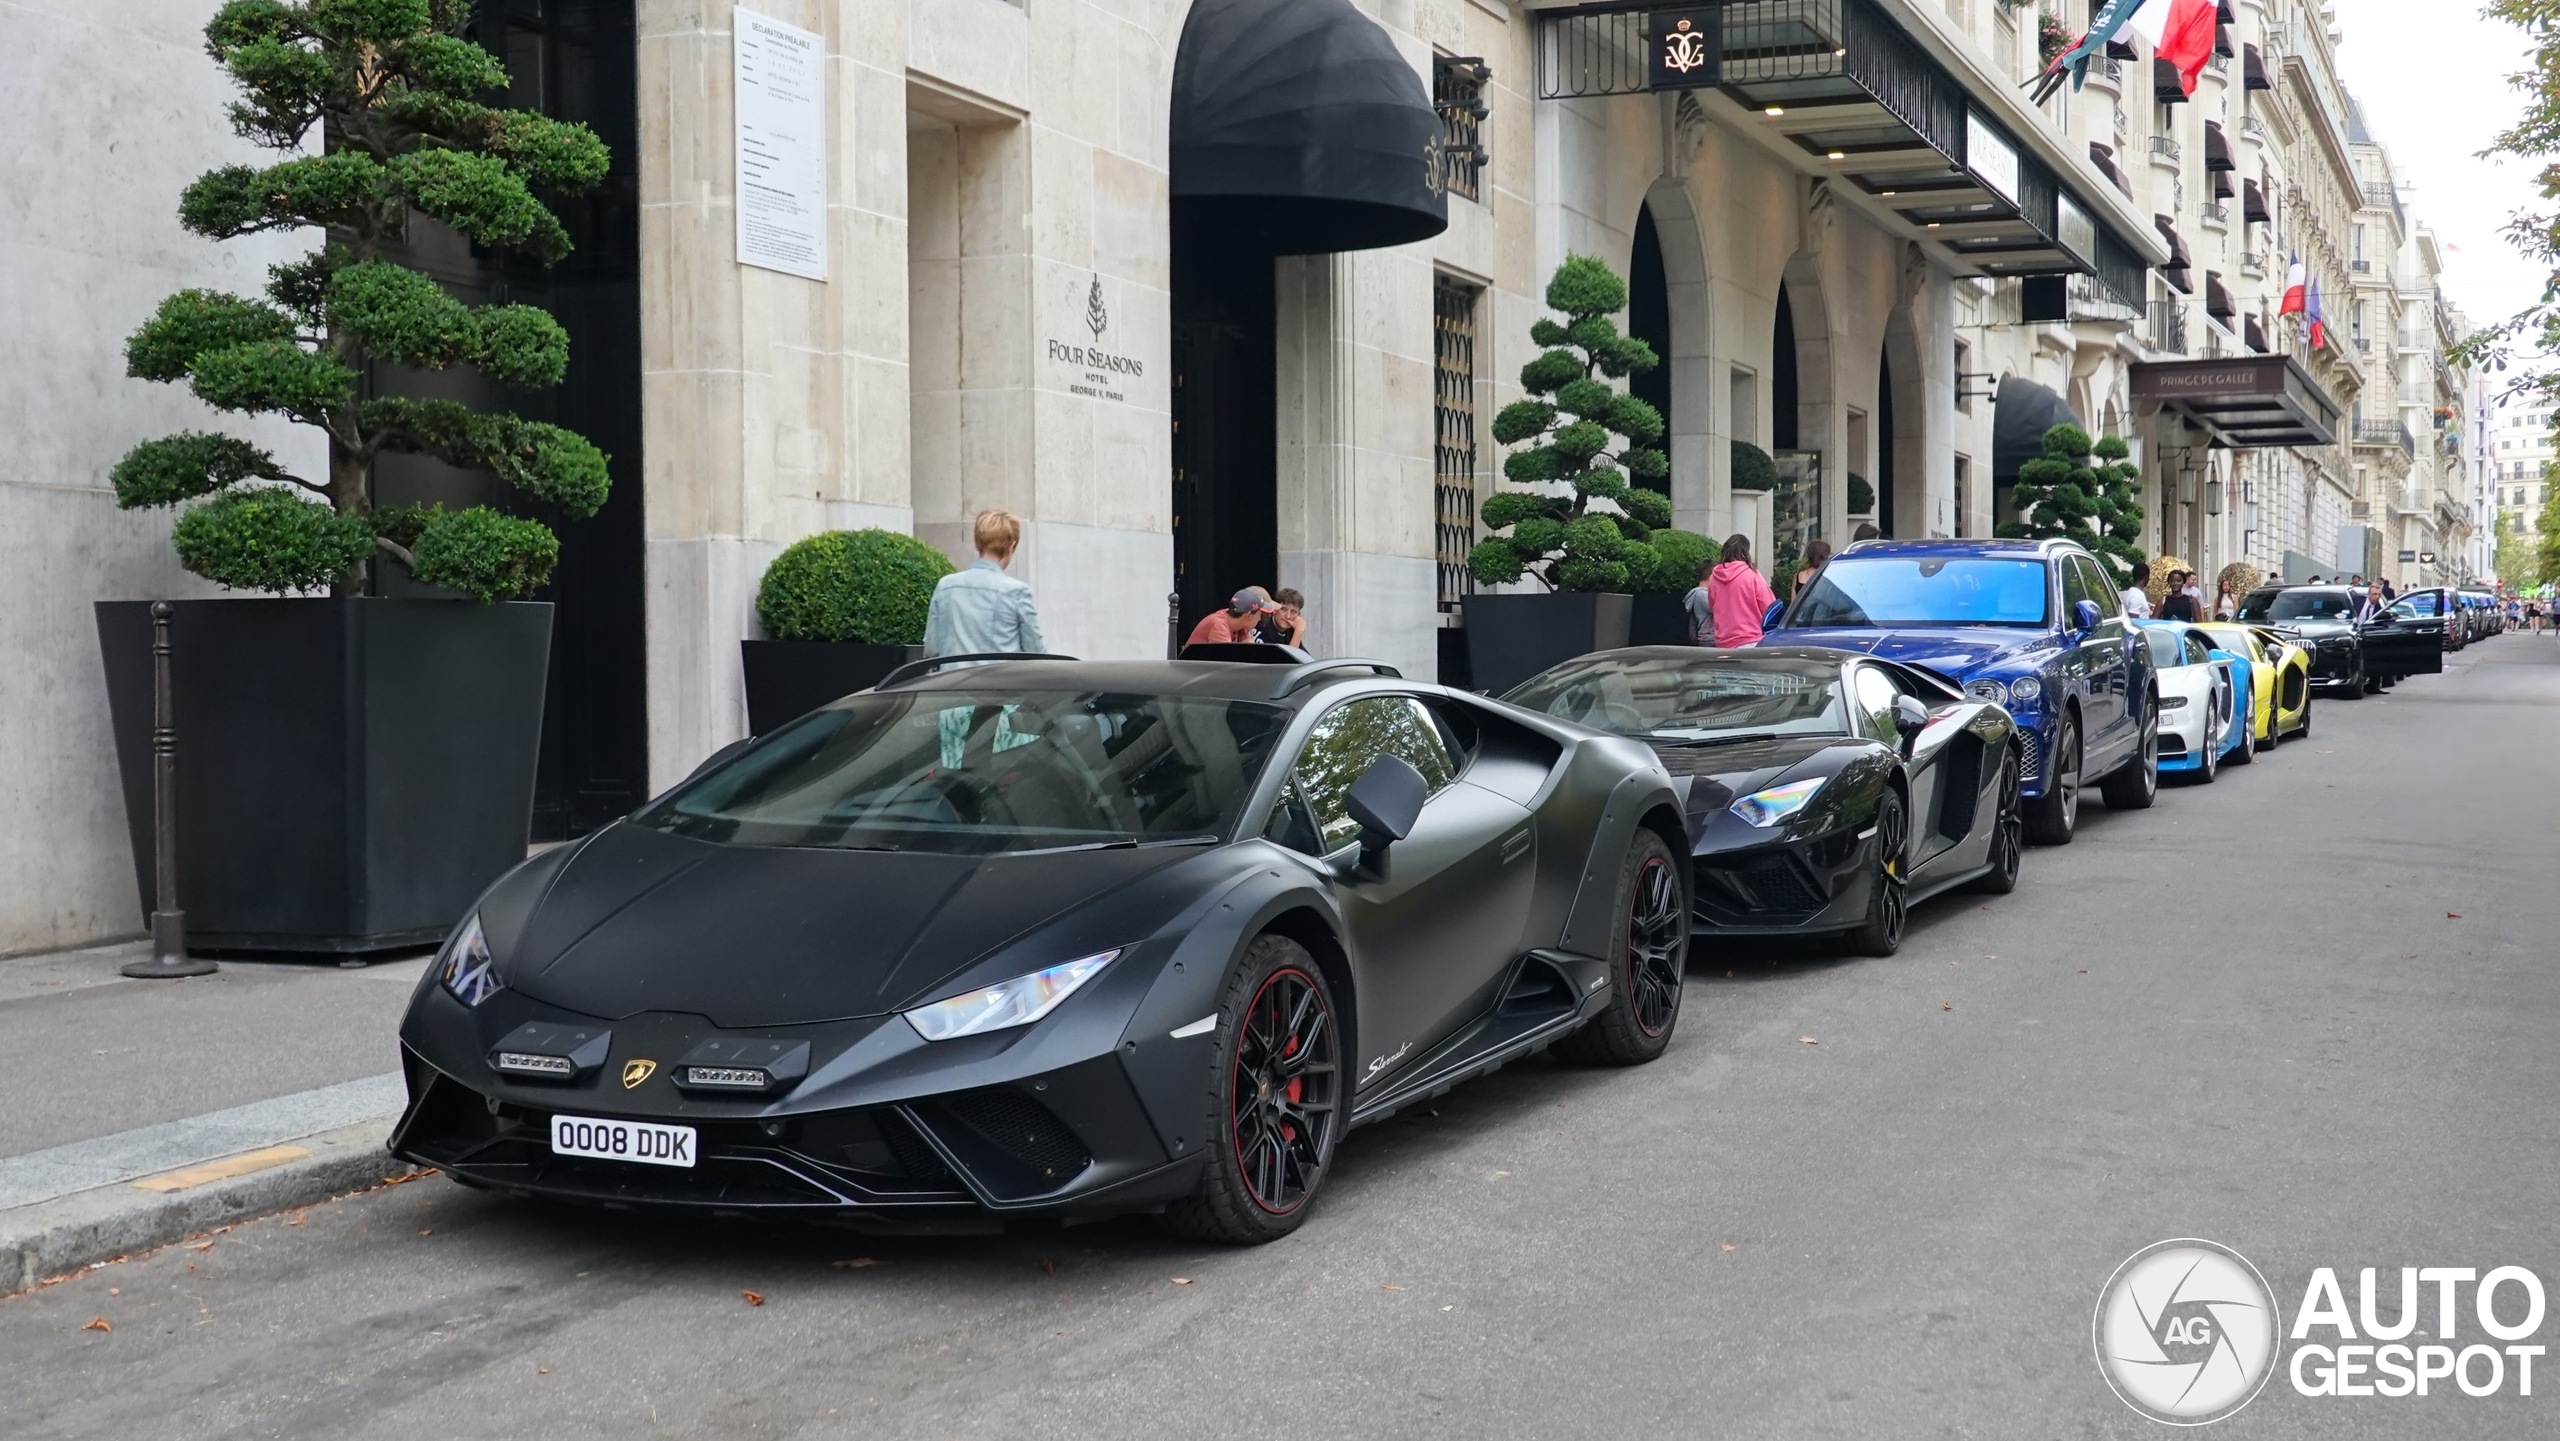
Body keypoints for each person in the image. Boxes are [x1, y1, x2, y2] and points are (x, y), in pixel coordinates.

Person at [923, 509, 1045, 657]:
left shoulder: (945, 586)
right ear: (1011, 547)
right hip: (999, 679)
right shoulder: (1017, 593)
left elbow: (931, 650)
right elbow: (1036, 653)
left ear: (976, 543)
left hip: (953, 679)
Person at [1706, 534, 1778, 648]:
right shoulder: (1752, 575)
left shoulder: (1713, 578)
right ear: (1745, 552)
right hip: (1750, 639)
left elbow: (1712, 606)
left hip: (1723, 643)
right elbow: (1769, 607)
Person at [1186, 586, 1276, 647]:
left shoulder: (1240, 625)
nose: (1260, 618)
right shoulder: (1219, 625)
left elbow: (1252, 652)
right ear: (1248, 615)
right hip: (1191, 673)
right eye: (1259, 614)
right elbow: (1228, 661)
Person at [1683, 557, 1716, 645]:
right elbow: (1719, 609)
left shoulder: (1703, 594)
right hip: (1709, 640)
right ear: (1711, 575)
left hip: (1711, 639)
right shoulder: (1701, 595)